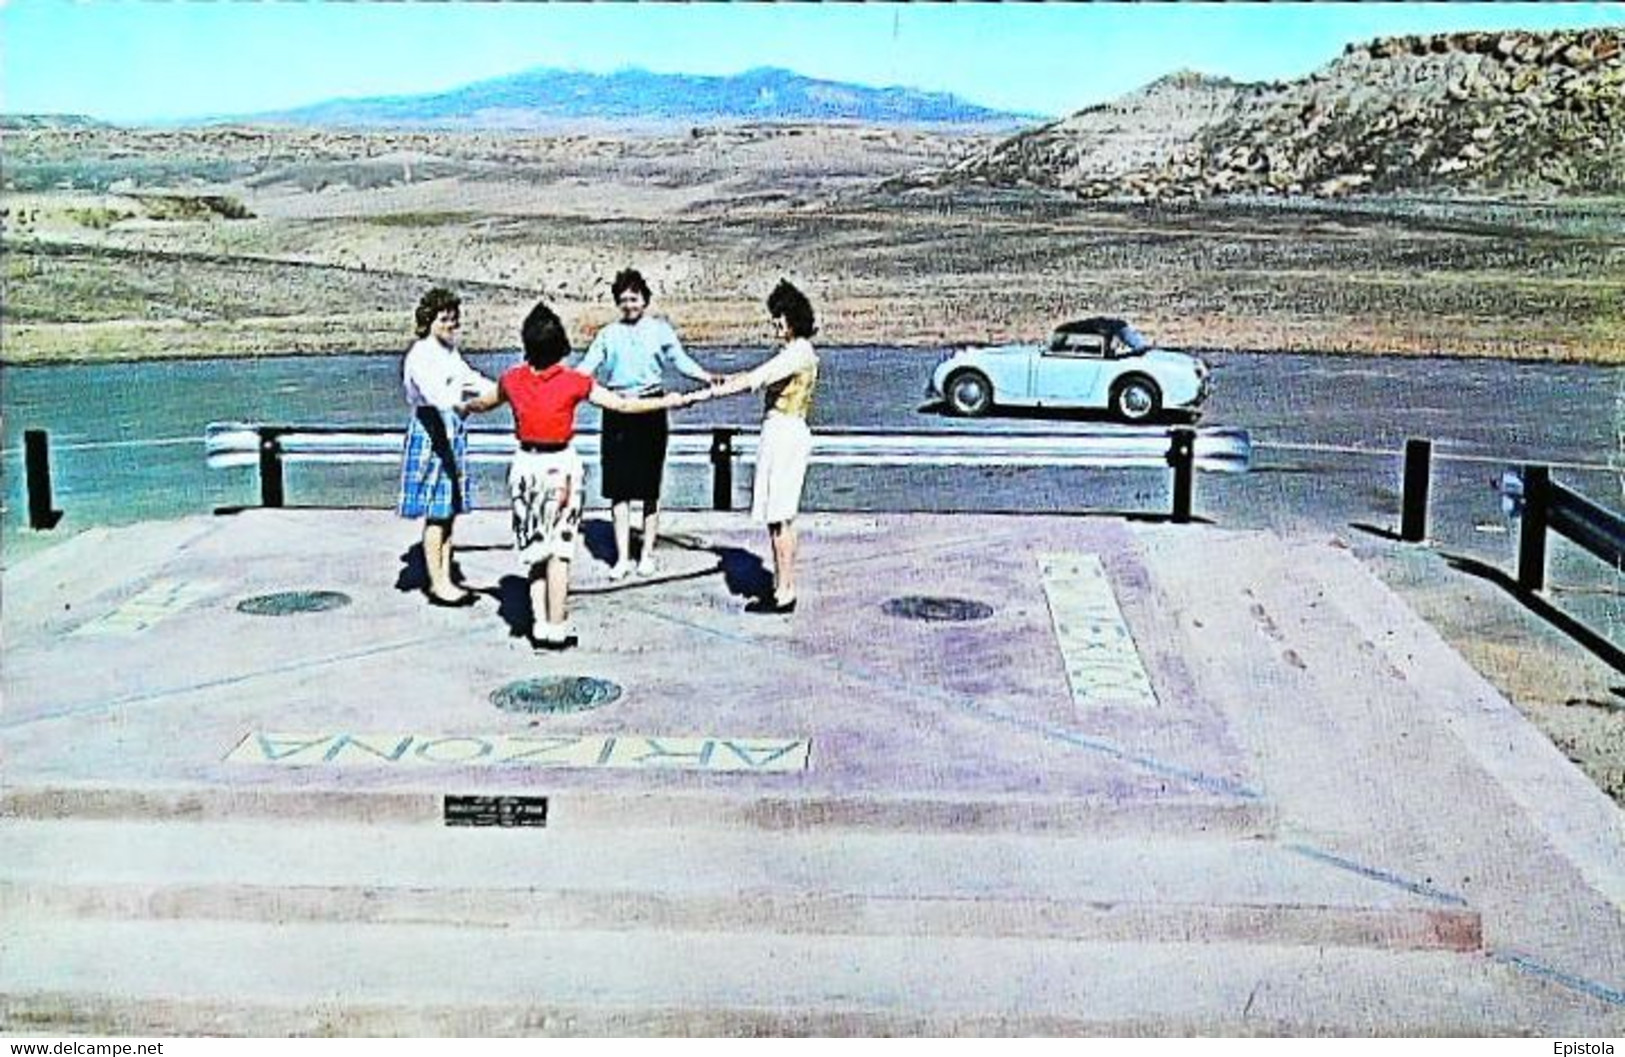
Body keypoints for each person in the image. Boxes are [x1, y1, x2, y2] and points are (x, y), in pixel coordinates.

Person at [460, 301, 709, 650]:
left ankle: (540, 625)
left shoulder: (511, 380)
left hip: (526, 468)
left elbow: (484, 402)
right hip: (560, 468)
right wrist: (669, 402)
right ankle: (558, 627)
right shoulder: (574, 383)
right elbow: (623, 405)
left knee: (535, 552)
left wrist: (462, 407)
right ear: (559, 344)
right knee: (559, 551)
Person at [574, 268, 713, 580]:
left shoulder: (660, 330)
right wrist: (559, 384)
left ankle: (647, 554)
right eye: (623, 300)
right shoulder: (607, 334)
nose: (629, 305)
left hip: (652, 408)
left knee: (650, 487)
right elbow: (586, 369)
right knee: (618, 489)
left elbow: (681, 361)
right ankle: (622, 557)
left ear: (645, 300)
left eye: (634, 299)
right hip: (617, 410)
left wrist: (706, 376)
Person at [708, 279, 820, 615]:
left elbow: (758, 378)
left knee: (779, 517)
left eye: (779, 317)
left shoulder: (798, 353)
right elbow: (760, 373)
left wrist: (715, 392)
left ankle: (784, 591)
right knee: (780, 517)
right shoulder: (795, 353)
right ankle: (781, 586)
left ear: (792, 318)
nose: (775, 323)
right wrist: (726, 380)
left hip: (784, 434)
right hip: (783, 432)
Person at [398, 287, 495, 608]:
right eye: (444, 319)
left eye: (454, 320)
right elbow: (437, 397)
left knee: (449, 510)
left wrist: (506, 391)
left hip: (451, 431)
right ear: (428, 321)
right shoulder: (420, 355)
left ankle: (446, 577)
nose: (451, 325)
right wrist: (467, 406)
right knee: (437, 513)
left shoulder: (449, 353)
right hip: (431, 430)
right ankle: (438, 583)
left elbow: (473, 380)